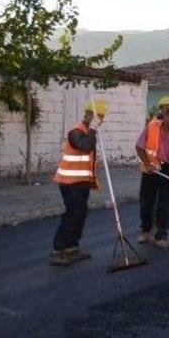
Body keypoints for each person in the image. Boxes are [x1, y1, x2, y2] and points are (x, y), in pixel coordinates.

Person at [49, 101, 106, 266]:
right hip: (69, 182)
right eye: (98, 116)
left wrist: (93, 130)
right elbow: (86, 147)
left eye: (102, 117)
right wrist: (94, 129)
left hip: (82, 182)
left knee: (81, 213)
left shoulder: (89, 132)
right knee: (72, 214)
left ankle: (72, 248)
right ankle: (58, 250)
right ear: (89, 114)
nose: (101, 120)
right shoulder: (75, 132)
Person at [135, 105, 169, 248]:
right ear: (164, 116)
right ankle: (146, 230)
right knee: (146, 203)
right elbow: (139, 147)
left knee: (165, 205)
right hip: (151, 169)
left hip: (168, 171)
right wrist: (147, 163)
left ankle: (161, 236)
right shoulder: (152, 127)